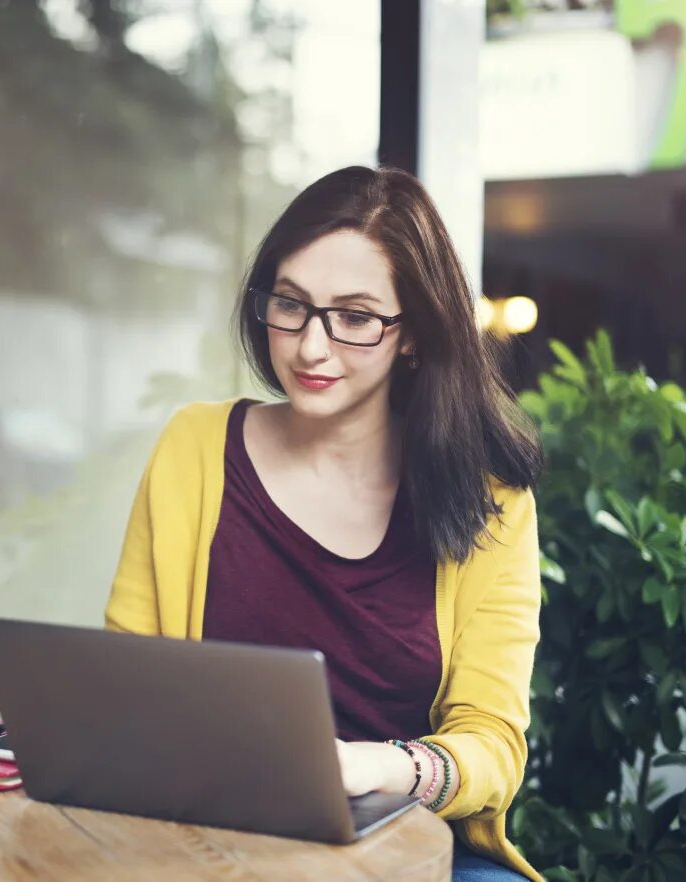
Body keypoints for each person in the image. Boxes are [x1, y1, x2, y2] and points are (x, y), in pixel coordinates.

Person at [105, 166, 544, 882]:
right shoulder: (194, 447)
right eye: (292, 304)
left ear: (413, 334)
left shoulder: (491, 499)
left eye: (356, 317)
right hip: (209, 833)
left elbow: (492, 745)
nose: (312, 347)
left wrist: (372, 767)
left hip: (401, 844)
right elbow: (124, 680)